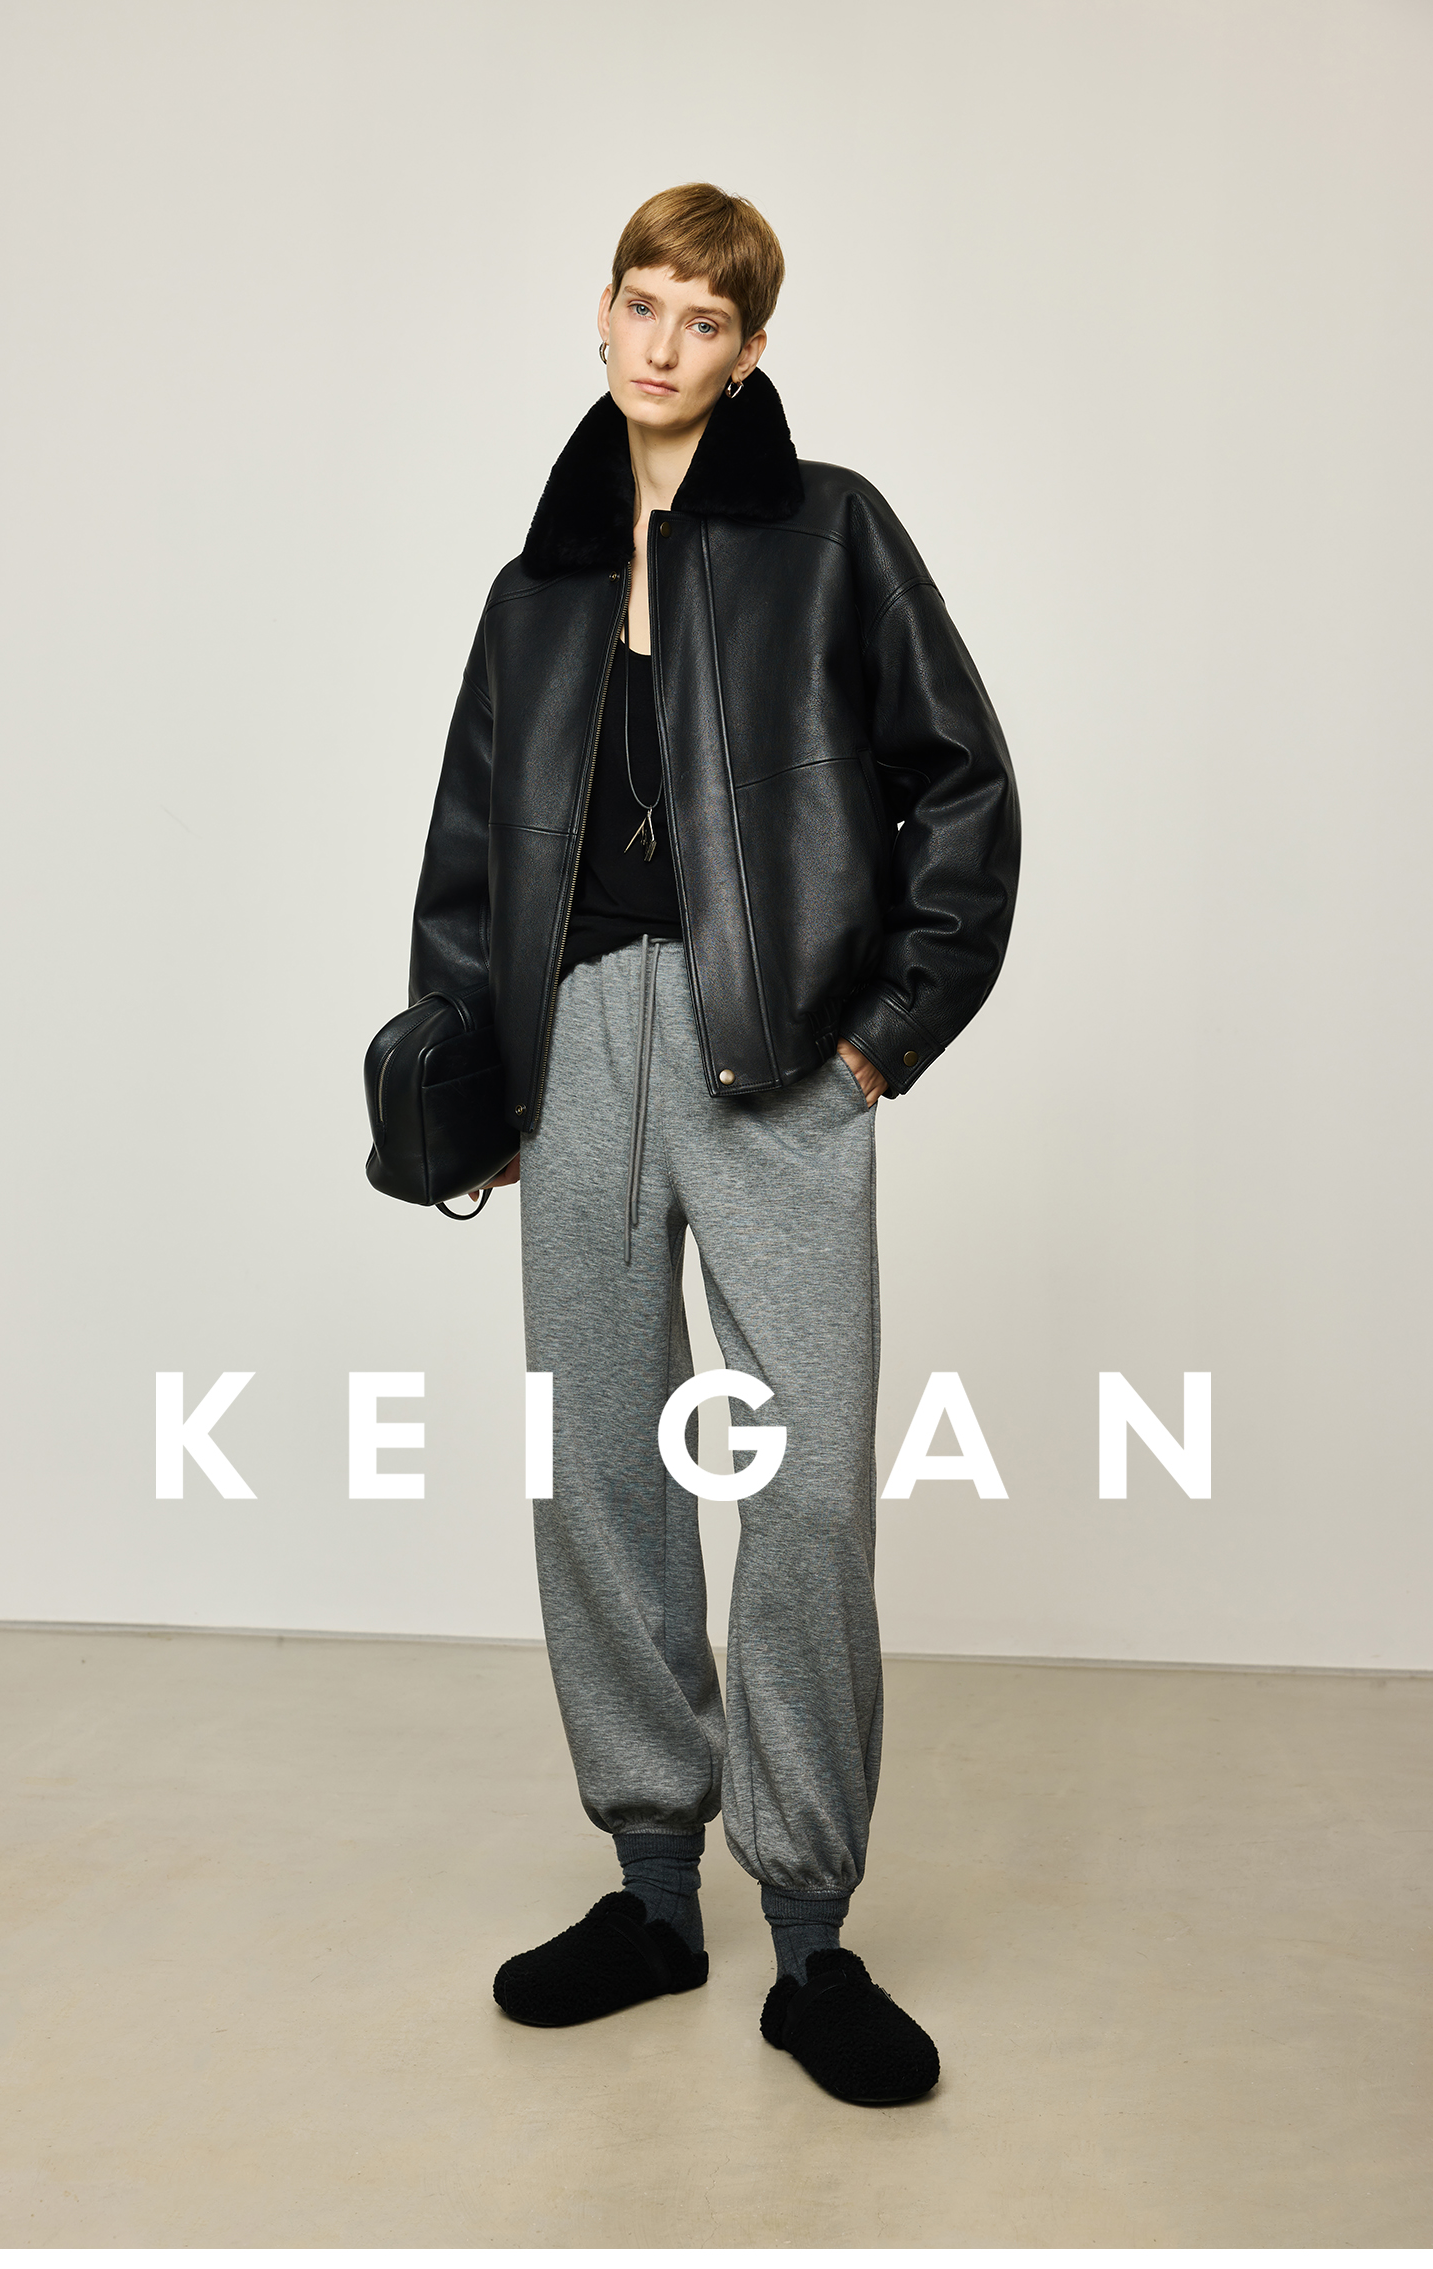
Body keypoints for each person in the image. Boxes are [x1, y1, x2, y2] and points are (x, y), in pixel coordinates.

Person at [407, 183, 1019, 2106]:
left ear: (750, 351)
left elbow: (963, 784)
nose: (665, 344)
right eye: (642, 304)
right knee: (598, 1470)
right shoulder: (534, 589)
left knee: (808, 1484)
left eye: (706, 318)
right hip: (579, 1046)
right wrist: (481, 1083)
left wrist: (886, 1040)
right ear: (599, 318)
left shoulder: (831, 531)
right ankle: (654, 1893)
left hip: (779, 1056)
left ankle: (813, 1935)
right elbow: (469, 864)